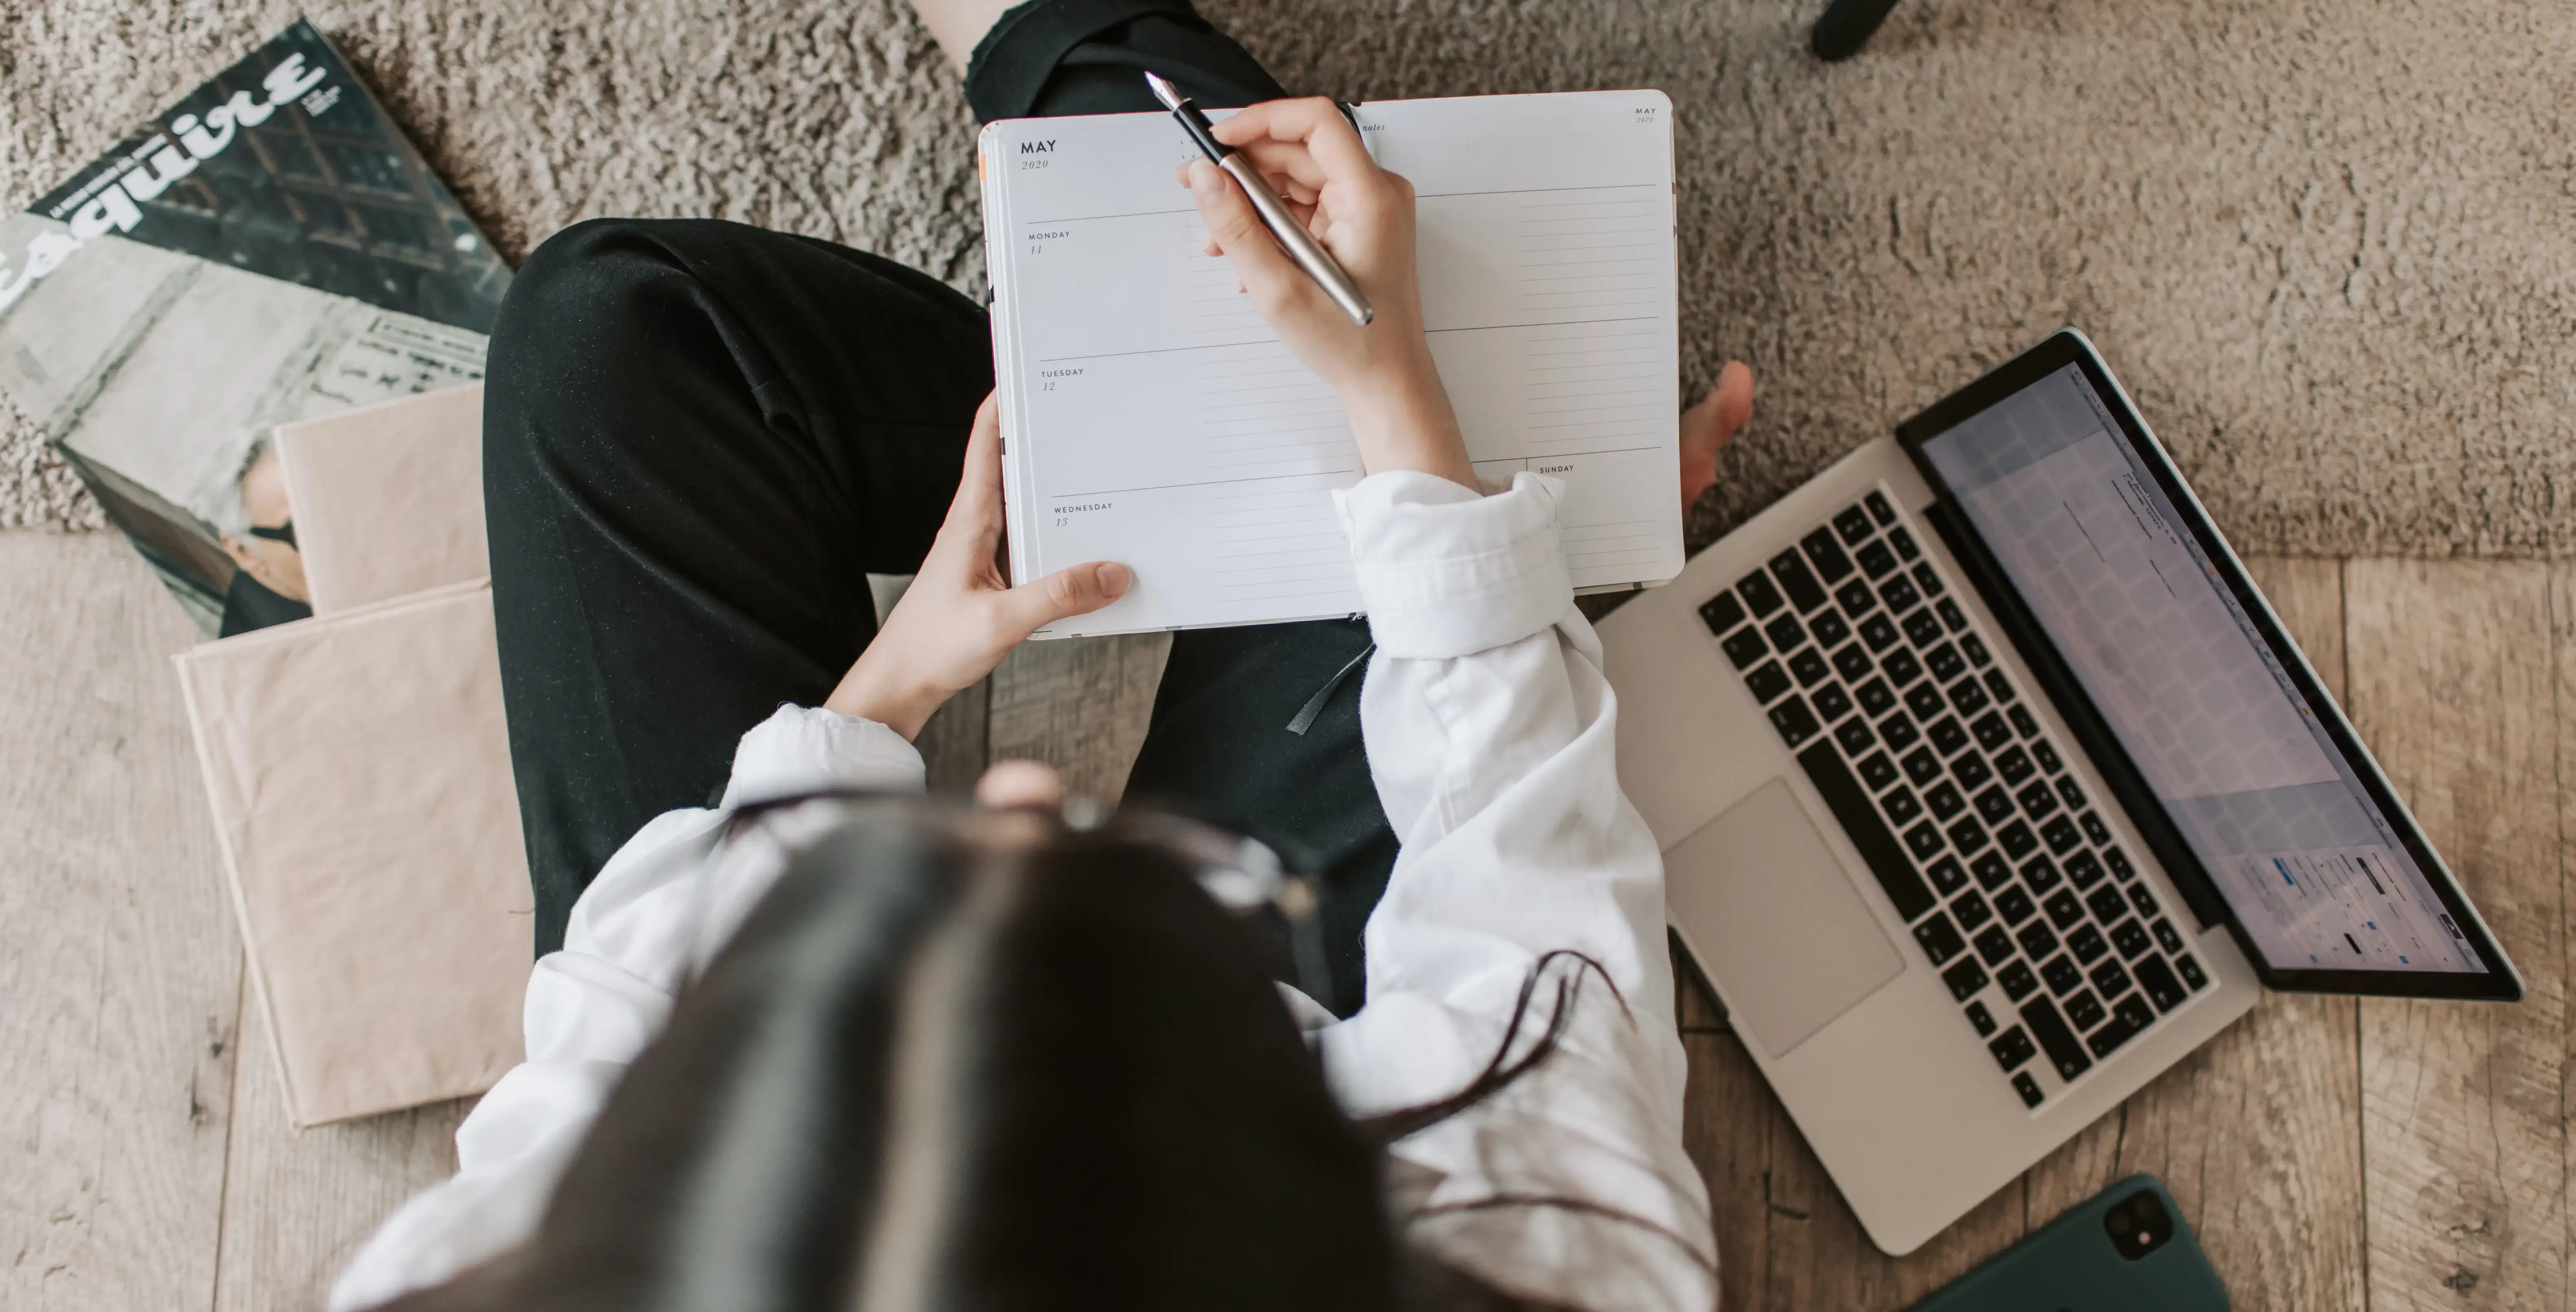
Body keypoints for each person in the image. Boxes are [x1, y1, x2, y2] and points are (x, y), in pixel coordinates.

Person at [327, 1, 1758, 1308]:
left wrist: (890, 688)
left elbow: (618, 1014)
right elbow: (1530, 895)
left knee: (609, 328)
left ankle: (1124, 360)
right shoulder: (1546, 1248)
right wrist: (1413, 423)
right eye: (1121, 899)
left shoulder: (501, 1275)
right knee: (1404, 418)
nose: (1010, 790)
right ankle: (1055, 49)